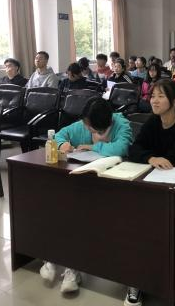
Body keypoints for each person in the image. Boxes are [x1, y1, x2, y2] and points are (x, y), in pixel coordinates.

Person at [41, 98, 132, 293]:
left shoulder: (121, 123)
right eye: (86, 124)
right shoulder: (84, 124)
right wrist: (62, 144)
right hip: (85, 183)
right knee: (65, 213)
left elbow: (121, 148)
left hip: (113, 188)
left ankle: (70, 266)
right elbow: (60, 135)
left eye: (90, 127)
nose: (86, 128)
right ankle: (60, 261)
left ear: (103, 123)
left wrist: (92, 147)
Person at [126, 79, 175, 306]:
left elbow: (173, 161)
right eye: (153, 96)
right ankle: (137, 278)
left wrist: (153, 158)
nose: (154, 101)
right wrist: (150, 158)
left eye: (161, 96)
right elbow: (134, 149)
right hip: (154, 185)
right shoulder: (153, 121)